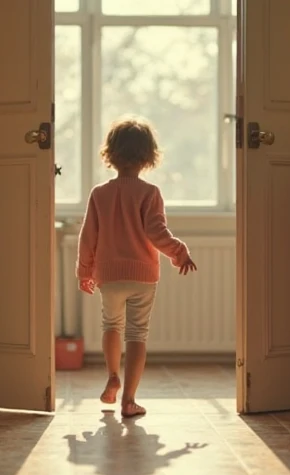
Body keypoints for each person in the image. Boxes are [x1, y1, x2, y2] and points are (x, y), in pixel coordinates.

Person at [75, 116, 197, 418]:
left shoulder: (99, 194)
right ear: (147, 157)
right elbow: (157, 233)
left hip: (109, 275)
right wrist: (178, 252)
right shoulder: (149, 193)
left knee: (110, 325)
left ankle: (112, 375)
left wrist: (83, 271)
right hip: (142, 276)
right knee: (137, 334)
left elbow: (88, 236)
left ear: (111, 154)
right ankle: (129, 400)